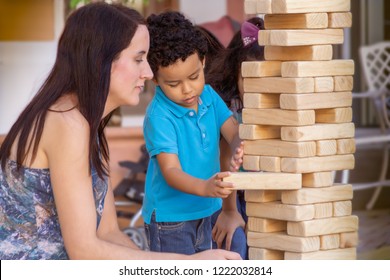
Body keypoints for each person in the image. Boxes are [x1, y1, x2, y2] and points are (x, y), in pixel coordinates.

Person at [0, 2, 240, 260]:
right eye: (139, 59)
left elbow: (109, 233)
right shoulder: (67, 124)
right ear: (101, 60)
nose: (148, 73)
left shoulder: (88, 124)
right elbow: (84, 250)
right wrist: (188, 266)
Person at [142, 11, 244, 255]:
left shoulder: (208, 96)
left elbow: (232, 131)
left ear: (203, 62)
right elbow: (171, 171)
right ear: (155, 79)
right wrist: (206, 188)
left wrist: (240, 147)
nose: (188, 90)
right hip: (171, 220)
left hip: (209, 209)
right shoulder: (159, 116)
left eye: (194, 76)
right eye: (174, 84)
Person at [206, 17, 266, 260]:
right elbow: (225, 158)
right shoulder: (232, 111)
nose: (256, 89)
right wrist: (230, 211)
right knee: (236, 242)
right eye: (248, 79)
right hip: (231, 194)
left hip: (264, 193)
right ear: (235, 74)